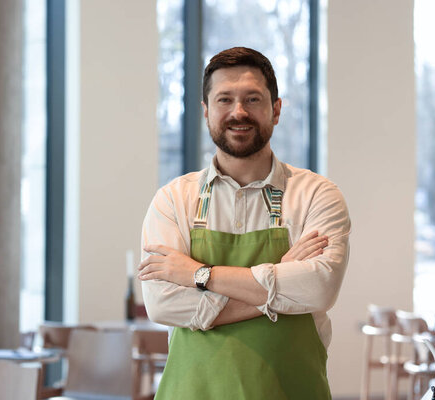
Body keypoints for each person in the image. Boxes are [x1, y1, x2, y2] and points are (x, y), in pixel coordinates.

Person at [137, 46, 351, 399]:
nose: (239, 112)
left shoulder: (316, 194)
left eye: (252, 99)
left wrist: (197, 275)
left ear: (276, 110)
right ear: (206, 112)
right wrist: (281, 279)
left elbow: (318, 290)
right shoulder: (173, 200)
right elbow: (163, 304)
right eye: (224, 100)